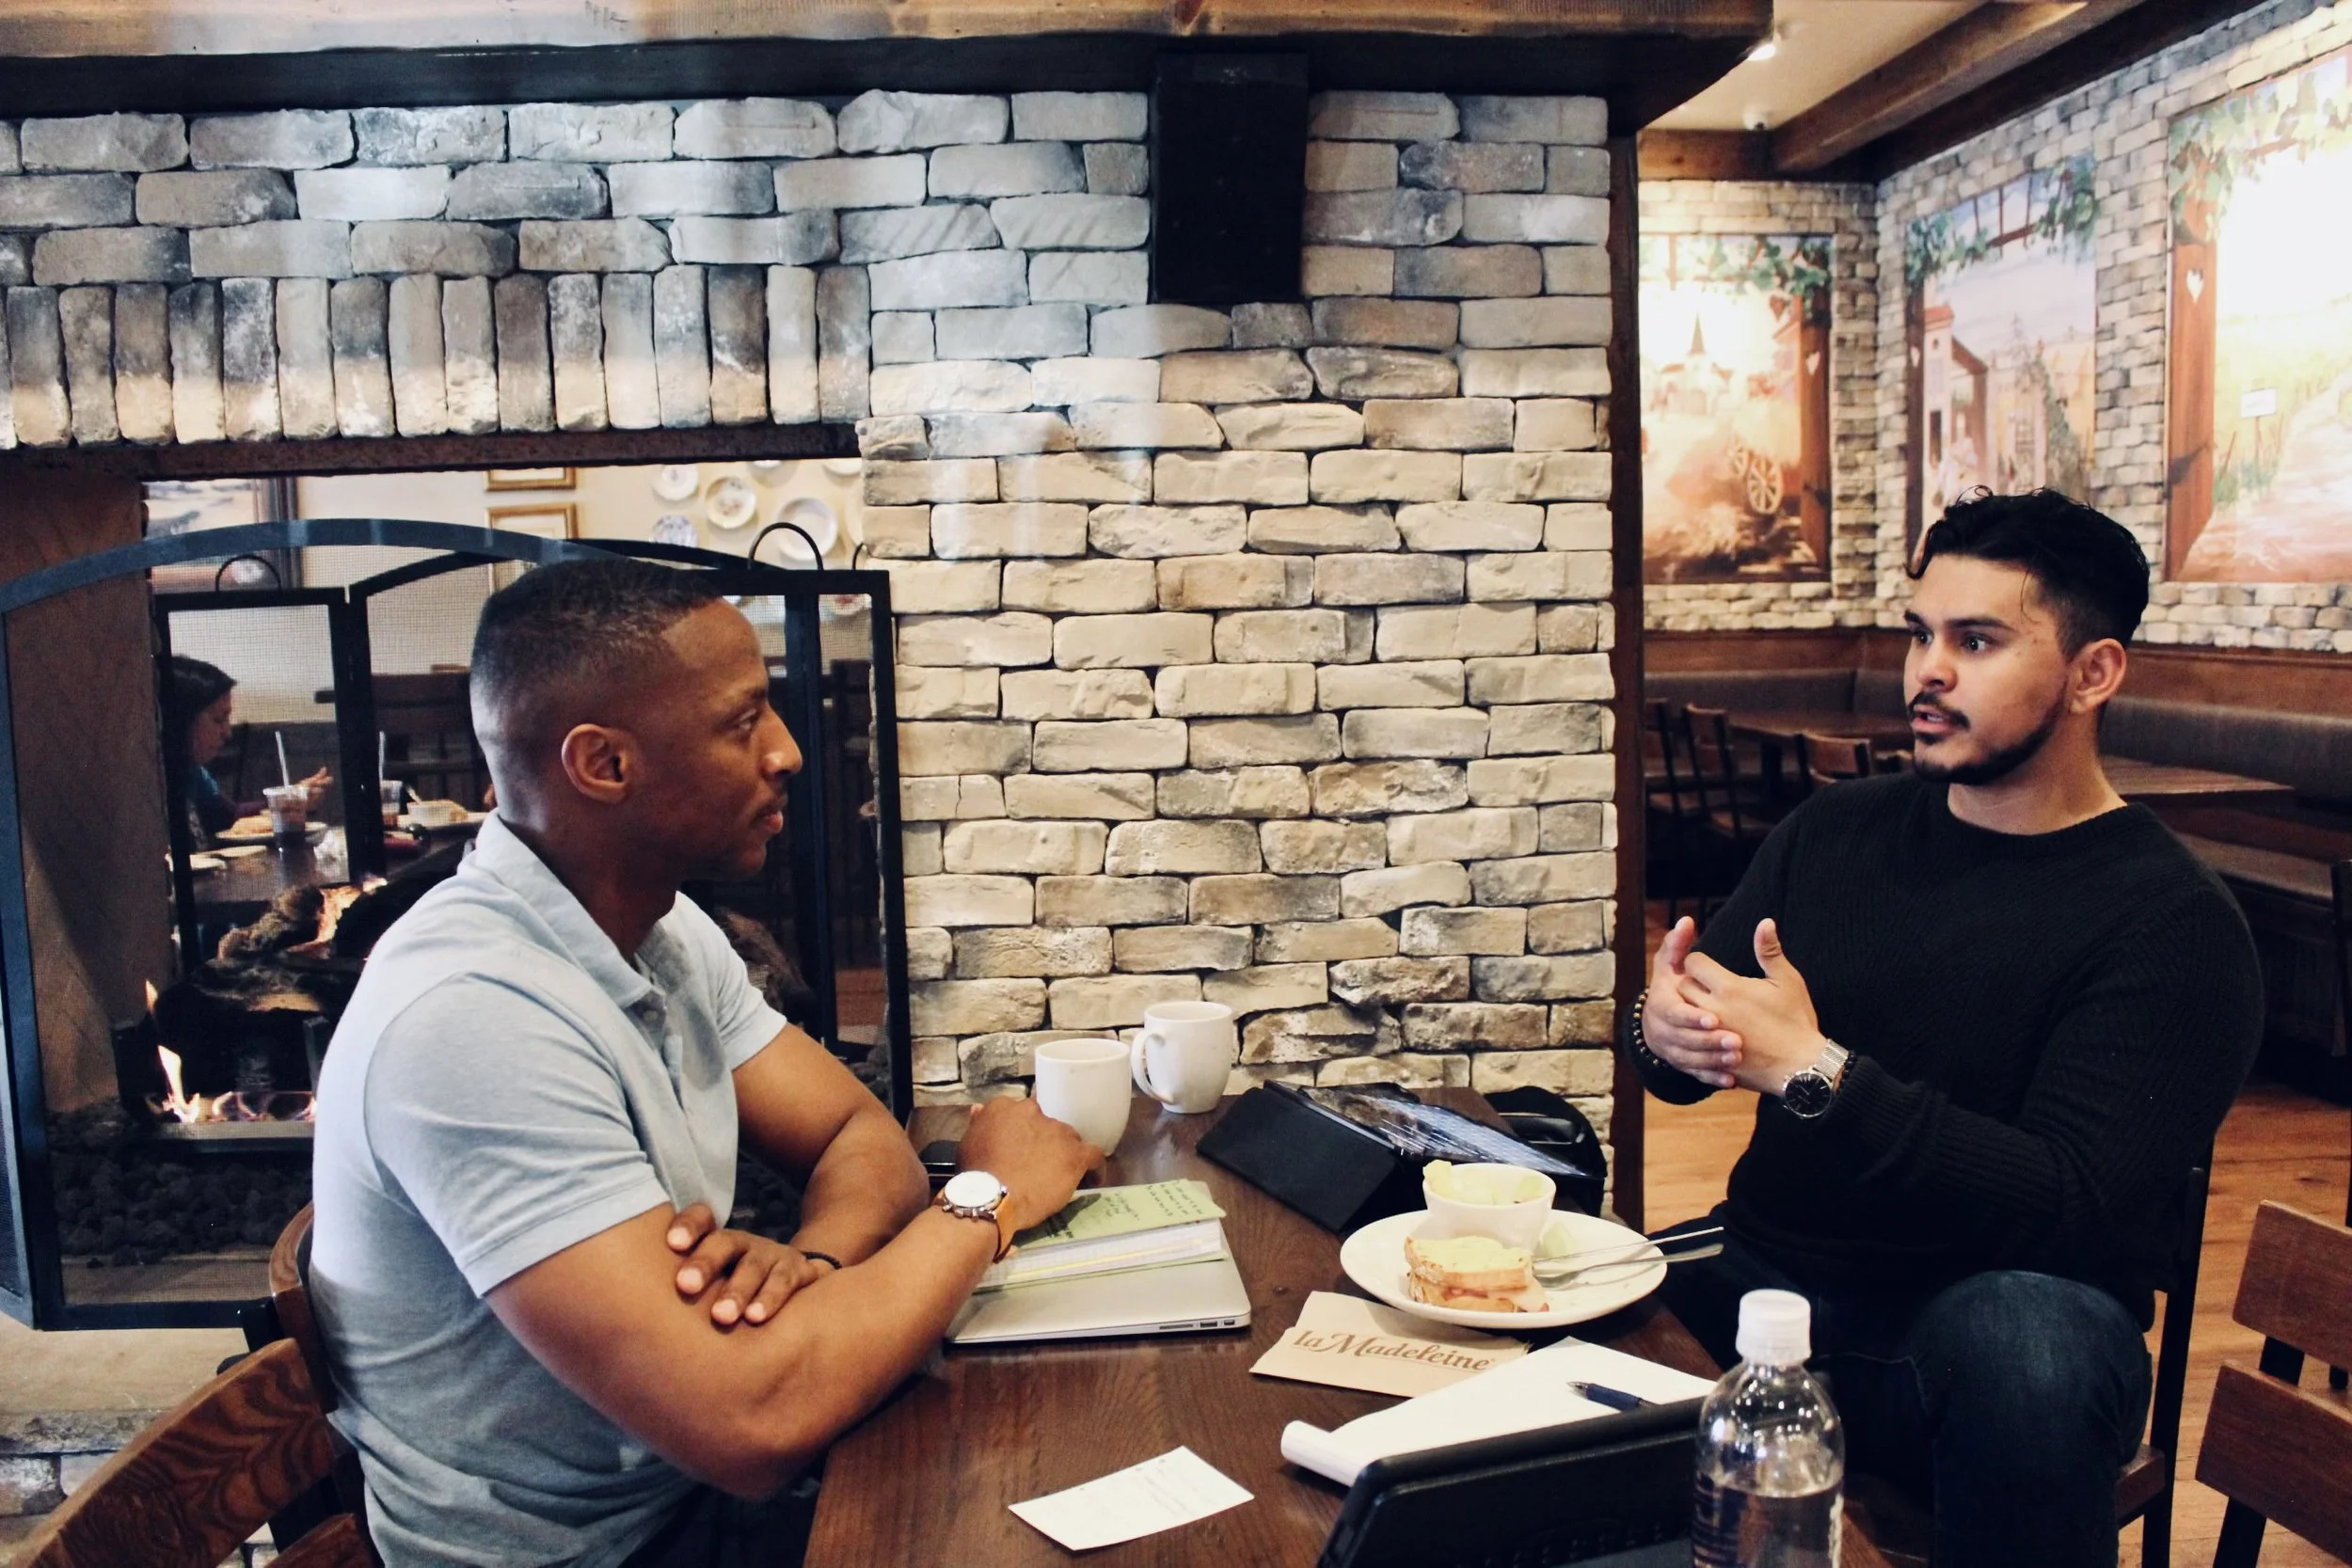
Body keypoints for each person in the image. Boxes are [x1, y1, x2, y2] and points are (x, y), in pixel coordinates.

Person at [308, 559, 1098, 1568]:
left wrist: (811, 1265)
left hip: (684, 1503)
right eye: (743, 721)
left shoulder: (660, 927)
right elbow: (751, 1426)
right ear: (602, 764)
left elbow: (861, 1138)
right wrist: (990, 1197)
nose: (788, 753)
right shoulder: (469, 1018)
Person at [1627, 489, 2262, 1568]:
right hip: (1771, 1291)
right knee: (1554, 1301)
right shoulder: (1836, 829)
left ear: (2093, 672)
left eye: (1976, 641)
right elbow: (1684, 1053)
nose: (1926, 669)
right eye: (1923, 632)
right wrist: (1664, 1027)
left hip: (1979, 1332)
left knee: (2031, 1345)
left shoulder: (2175, 922)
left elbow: (2068, 1205)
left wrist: (1816, 1073)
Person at [166, 654, 330, 843]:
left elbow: (229, 816)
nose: (227, 733)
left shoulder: (193, 772)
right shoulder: (154, 784)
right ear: (181, 721)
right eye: (218, 720)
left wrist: (288, 799)